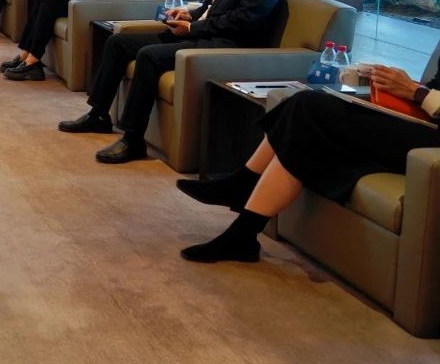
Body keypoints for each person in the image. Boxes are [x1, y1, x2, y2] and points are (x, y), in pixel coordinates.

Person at [58, 0, 284, 164]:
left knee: (149, 56)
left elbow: (243, 21)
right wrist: (188, 15)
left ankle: (133, 139)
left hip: (224, 45)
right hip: (204, 32)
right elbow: (211, 9)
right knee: (118, 42)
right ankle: (98, 114)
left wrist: (192, 28)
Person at [176, 64, 440, 263]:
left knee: (310, 106)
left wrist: (415, 91)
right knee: (303, 108)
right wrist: (400, 86)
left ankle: (241, 194)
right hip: (425, 123)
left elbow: (425, 95)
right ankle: (242, 222)